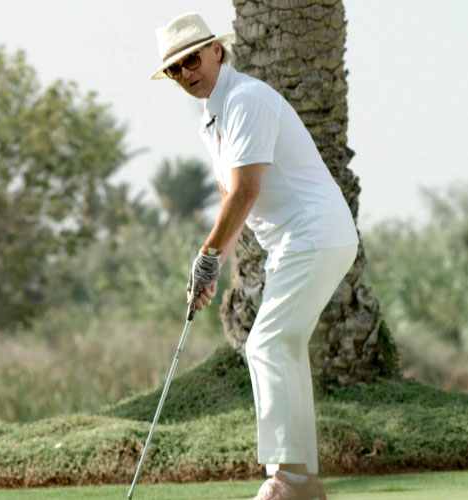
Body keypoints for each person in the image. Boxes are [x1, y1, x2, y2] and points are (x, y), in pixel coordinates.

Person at [151, 12, 358, 500]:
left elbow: (244, 193)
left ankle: (287, 477)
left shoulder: (245, 100)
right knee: (282, 343)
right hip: (297, 241)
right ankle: (301, 480)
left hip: (314, 233)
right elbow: (232, 198)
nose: (186, 74)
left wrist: (207, 256)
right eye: (176, 69)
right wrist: (210, 266)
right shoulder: (214, 117)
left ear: (217, 51)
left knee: (267, 342)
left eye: (191, 60)